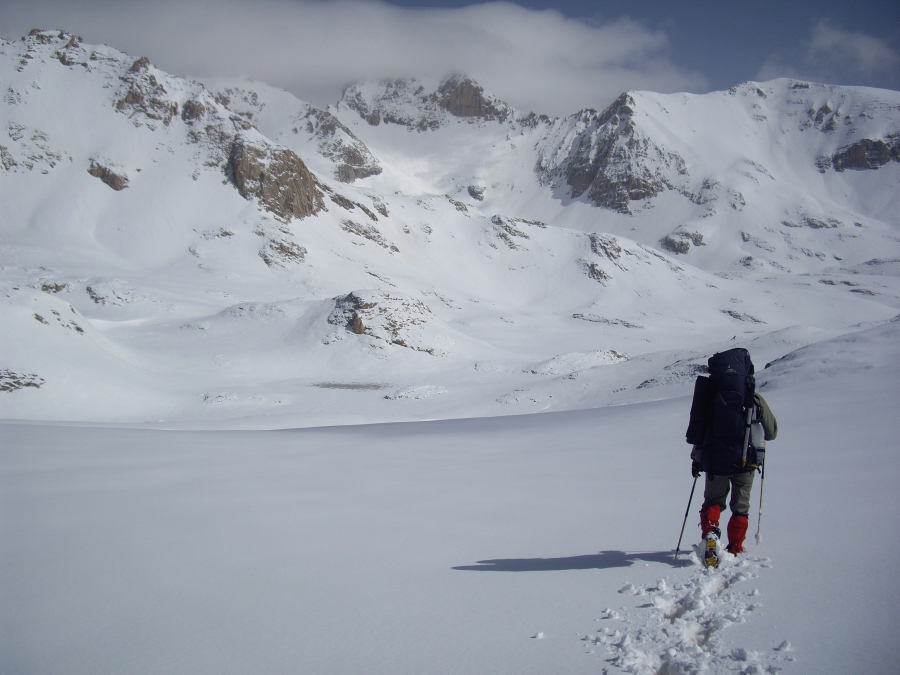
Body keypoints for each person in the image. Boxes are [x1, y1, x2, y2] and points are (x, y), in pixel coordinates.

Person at [690, 358, 778, 564]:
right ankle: (736, 546)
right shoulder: (754, 399)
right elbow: (772, 433)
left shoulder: (710, 399)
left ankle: (711, 534)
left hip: (715, 463)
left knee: (712, 502)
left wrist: (696, 459)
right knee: (740, 507)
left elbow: (699, 431)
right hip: (746, 463)